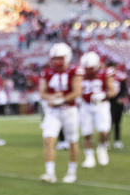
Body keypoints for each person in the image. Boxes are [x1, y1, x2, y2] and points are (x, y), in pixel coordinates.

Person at [39, 43, 83, 183]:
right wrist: (51, 98)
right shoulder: (47, 72)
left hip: (69, 110)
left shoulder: (74, 71)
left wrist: (62, 99)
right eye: (54, 58)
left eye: (59, 58)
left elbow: (77, 92)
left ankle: (72, 172)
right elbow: (42, 93)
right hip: (53, 111)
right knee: (48, 139)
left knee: (72, 141)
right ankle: (50, 173)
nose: (56, 61)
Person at [77, 51, 116, 168]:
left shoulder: (105, 73)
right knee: (87, 132)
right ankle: (89, 157)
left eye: (90, 68)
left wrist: (104, 95)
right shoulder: (80, 73)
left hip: (101, 105)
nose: (88, 71)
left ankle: (102, 148)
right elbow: (77, 88)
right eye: (86, 68)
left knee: (104, 131)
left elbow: (113, 91)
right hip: (85, 105)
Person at [109, 61, 127, 149]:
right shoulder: (106, 76)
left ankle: (117, 140)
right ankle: (106, 141)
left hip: (118, 101)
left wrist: (122, 97)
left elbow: (125, 89)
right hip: (108, 101)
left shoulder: (121, 76)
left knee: (117, 122)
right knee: (108, 122)